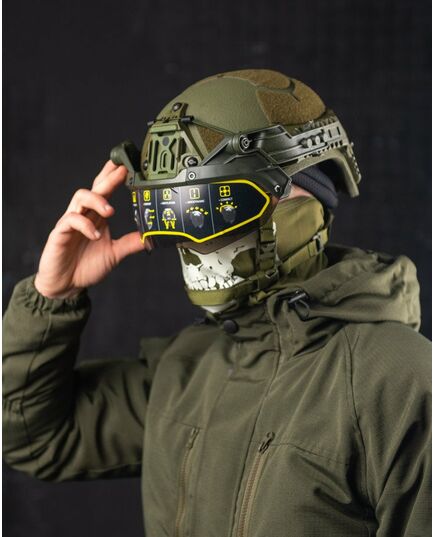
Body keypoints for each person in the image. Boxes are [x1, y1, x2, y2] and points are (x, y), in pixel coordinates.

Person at [3, 70, 431, 537]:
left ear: (308, 199)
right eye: (174, 215)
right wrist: (53, 297)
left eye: (216, 209)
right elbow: (32, 437)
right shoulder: (188, 371)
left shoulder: (398, 382)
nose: (197, 243)